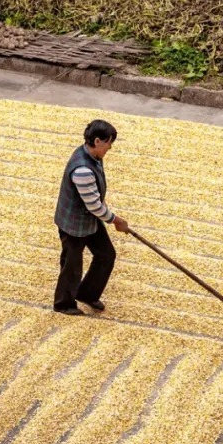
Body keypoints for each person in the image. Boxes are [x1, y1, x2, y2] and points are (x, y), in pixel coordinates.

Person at [53, 119, 129, 316]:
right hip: (74, 224)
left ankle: (87, 293)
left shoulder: (92, 156)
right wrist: (116, 221)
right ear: (97, 141)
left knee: (106, 255)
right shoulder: (83, 170)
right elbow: (94, 205)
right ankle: (64, 304)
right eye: (109, 143)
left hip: (88, 218)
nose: (110, 147)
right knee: (72, 265)